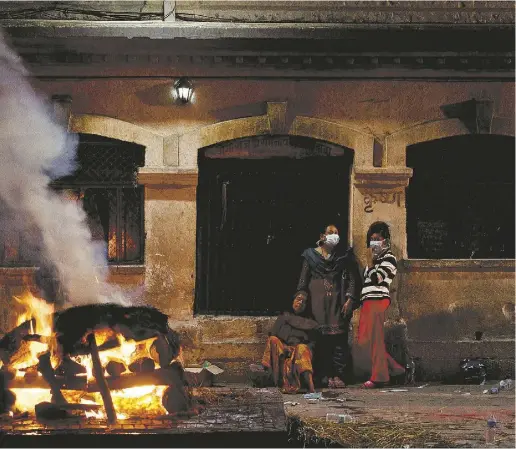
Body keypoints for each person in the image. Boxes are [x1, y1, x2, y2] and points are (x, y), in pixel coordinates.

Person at [295, 224, 362, 389]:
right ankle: (323, 376)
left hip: (337, 305)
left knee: (339, 341)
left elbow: (353, 279)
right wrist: (300, 296)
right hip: (317, 307)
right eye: (331, 233)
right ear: (322, 236)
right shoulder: (310, 256)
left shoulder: (343, 257)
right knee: (320, 341)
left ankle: (338, 375)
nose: (335, 236)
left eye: (337, 233)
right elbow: (303, 281)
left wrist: (350, 299)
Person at [354, 221, 405, 388]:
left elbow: (377, 278)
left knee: (375, 339)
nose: (374, 242)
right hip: (367, 301)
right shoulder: (375, 259)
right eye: (372, 239)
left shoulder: (389, 258)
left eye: (377, 238)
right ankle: (395, 368)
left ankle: (379, 377)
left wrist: (370, 263)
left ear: (385, 240)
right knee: (364, 340)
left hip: (378, 300)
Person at [261, 293, 318, 393]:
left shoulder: (310, 322)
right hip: (282, 351)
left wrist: (296, 350)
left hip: (299, 354)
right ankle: (275, 381)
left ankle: (311, 387)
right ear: (293, 301)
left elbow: (312, 344)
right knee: (273, 340)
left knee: (302, 348)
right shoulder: (283, 317)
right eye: (298, 299)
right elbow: (274, 335)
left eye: (304, 302)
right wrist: (285, 347)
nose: (300, 303)